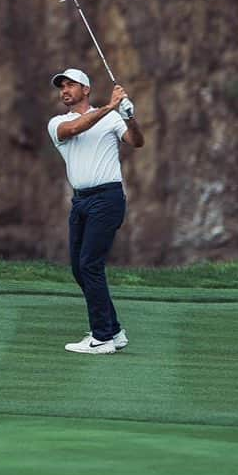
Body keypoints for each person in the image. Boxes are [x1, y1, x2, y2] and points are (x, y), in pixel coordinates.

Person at [47, 67, 145, 355]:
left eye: (70, 85)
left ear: (85, 89)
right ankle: (113, 330)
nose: (64, 90)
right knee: (80, 268)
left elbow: (137, 141)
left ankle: (102, 337)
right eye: (61, 87)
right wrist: (111, 107)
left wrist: (129, 116)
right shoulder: (57, 123)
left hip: (108, 198)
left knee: (90, 264)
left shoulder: (112, 118)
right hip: (80, 202)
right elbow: (77, 128)